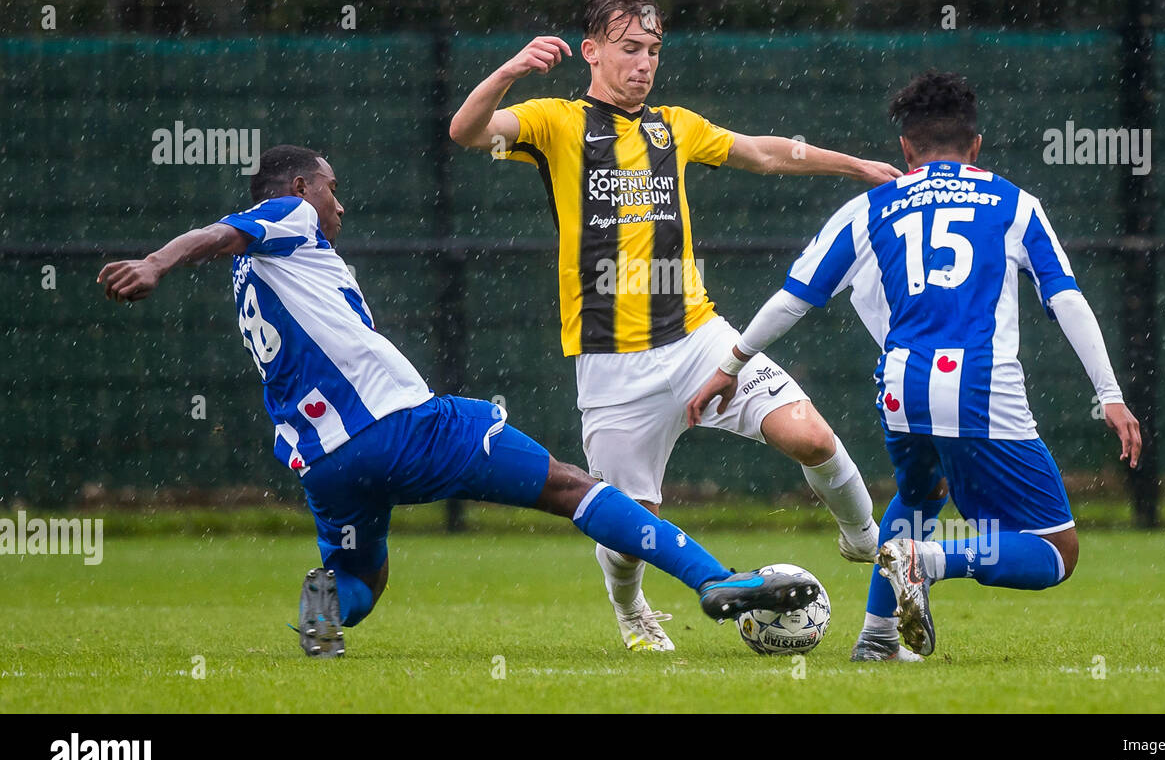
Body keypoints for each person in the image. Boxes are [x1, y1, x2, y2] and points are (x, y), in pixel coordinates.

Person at [95, 144, 821, 657]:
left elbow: (227, 246)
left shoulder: (254, 274)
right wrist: (156, 261)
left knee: (362, 578)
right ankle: (714, 578)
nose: (337, 203)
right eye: (330, 187)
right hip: (404, 427)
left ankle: (327, 609)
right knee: (574, 486)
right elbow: (220, 229)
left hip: (323, 463)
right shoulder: (287, 217)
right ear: (296, 188)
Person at [449, 0, 901, 651]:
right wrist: (512, 70)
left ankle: (867, 541)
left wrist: (853, 164)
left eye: (653, 49)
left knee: (808, 436)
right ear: (591, 51)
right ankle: (631, 609)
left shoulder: (674, 126)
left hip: (699, 341)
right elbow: (466, 131)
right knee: (633, 528)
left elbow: (763, 152)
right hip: (611, 363)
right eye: (630, 48)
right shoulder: (555, 122)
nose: (645, 62)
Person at [689, 70, 1142, 661]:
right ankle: (925, 561)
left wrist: (732, 362)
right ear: (975, 146)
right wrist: (1109, 392)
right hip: (981, 385)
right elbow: (1066, 300)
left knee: (921, 495)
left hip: (901, 384)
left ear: (905, 149)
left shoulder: (870, 206)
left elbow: (794, 297)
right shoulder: (1014, 204)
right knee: (1056, 551)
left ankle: (877, 640)